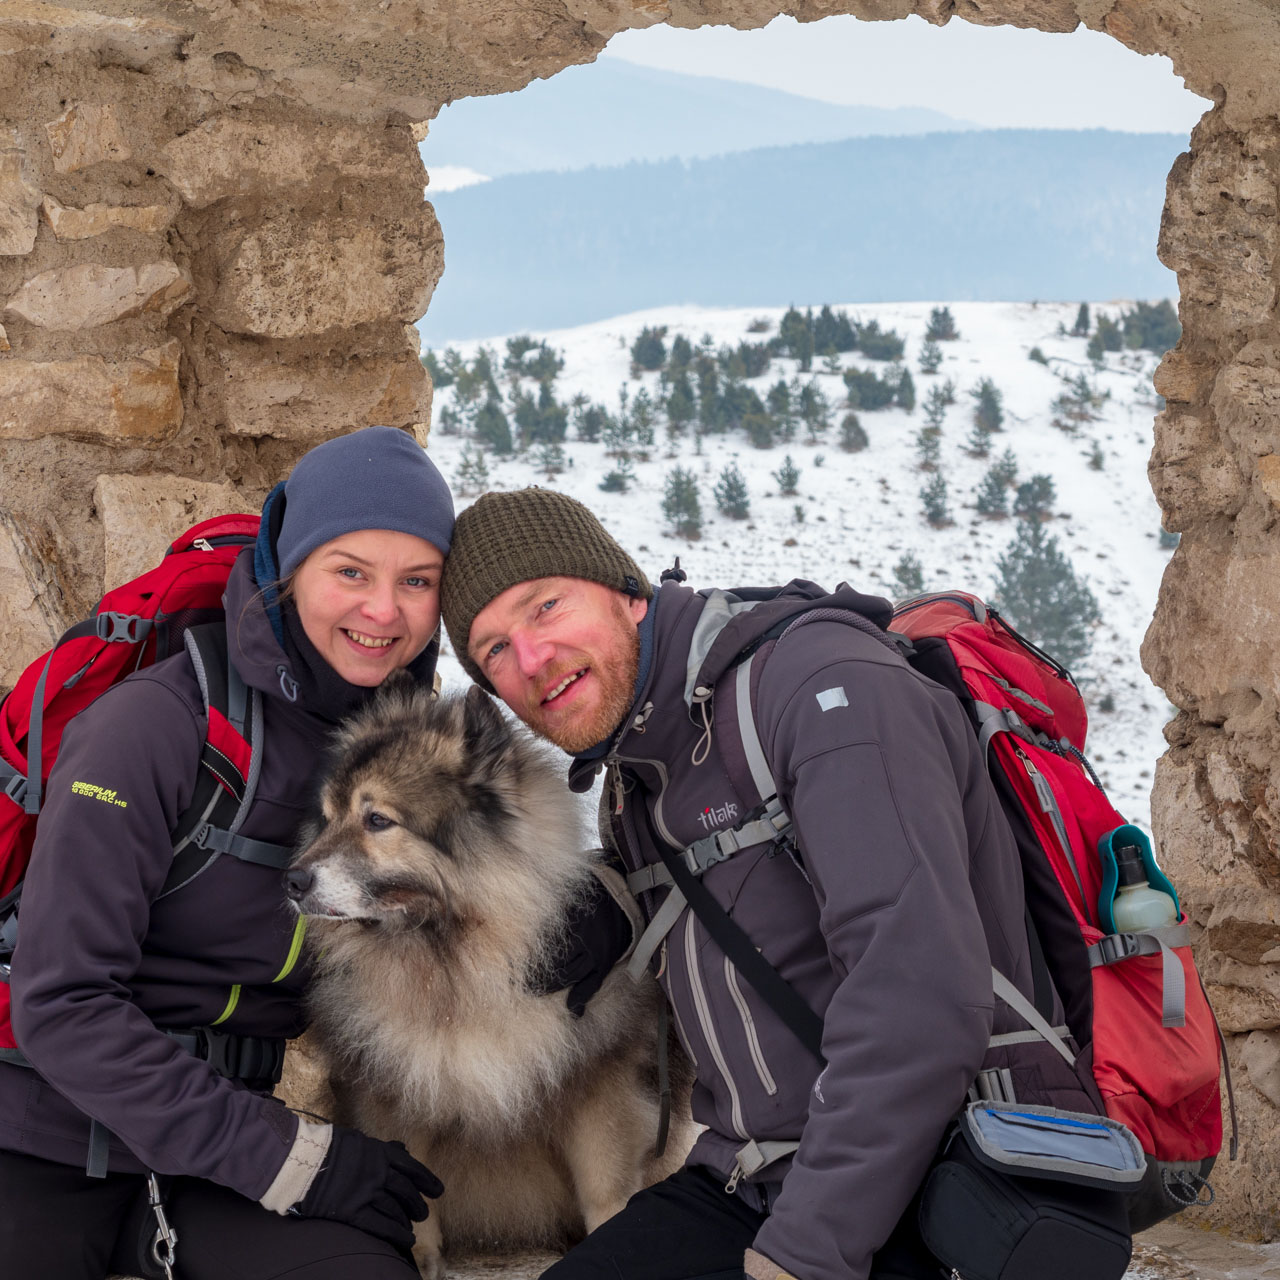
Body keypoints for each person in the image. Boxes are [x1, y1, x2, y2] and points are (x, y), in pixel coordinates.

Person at [439, 488, 1108, 1280]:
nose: (533, 659)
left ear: (625, 589)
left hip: (953, 1179)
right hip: (753, 1176)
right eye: (494, 651)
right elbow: (721, 879)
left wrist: (802, 1255)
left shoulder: (827, 692)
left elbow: (919, 1005)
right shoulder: (639, 768)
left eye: (544, 606)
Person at [0, 426, 453, 1280]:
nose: (383, 611)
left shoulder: (405, 751)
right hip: (34, 1137)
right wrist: (300, 1159)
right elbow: (59, 1002)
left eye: (416, 581)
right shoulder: (154, 727)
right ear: (290, 568)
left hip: (208, 1160)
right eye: (350, 571)